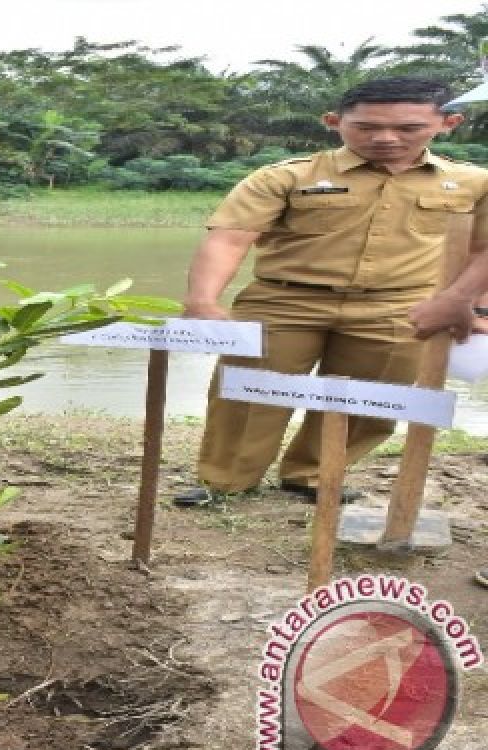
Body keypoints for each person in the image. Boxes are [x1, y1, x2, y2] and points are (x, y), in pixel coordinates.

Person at [173, 77, 488, 508]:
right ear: (334, 122)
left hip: (401, 306)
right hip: (284, 302)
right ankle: (226, 482)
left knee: (372, 399)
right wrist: (202, 301)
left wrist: (462, 300)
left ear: (448, 122)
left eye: (409, 128)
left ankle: (313, 475)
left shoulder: (474, 184)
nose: (386, 138)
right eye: (365, 127)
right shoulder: (287, 176)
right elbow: (229, 239)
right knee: (249, 392)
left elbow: (483, 250)